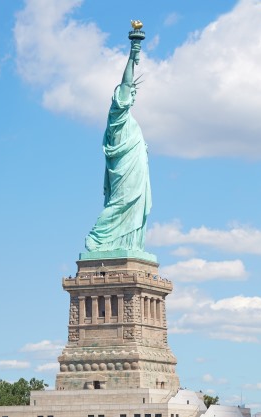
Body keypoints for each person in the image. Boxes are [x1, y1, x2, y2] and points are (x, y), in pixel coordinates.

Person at [85, 31, 151, 254]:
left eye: (133, 93)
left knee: (134, 206)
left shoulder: (130, 122)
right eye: (129, 92)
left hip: (136, 170)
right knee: (121, 202)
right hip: (124, 170)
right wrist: (134, 54)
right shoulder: (118, 115)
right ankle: (97, 238)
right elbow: (125, 82)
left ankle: (128, 245)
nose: (131, 95)